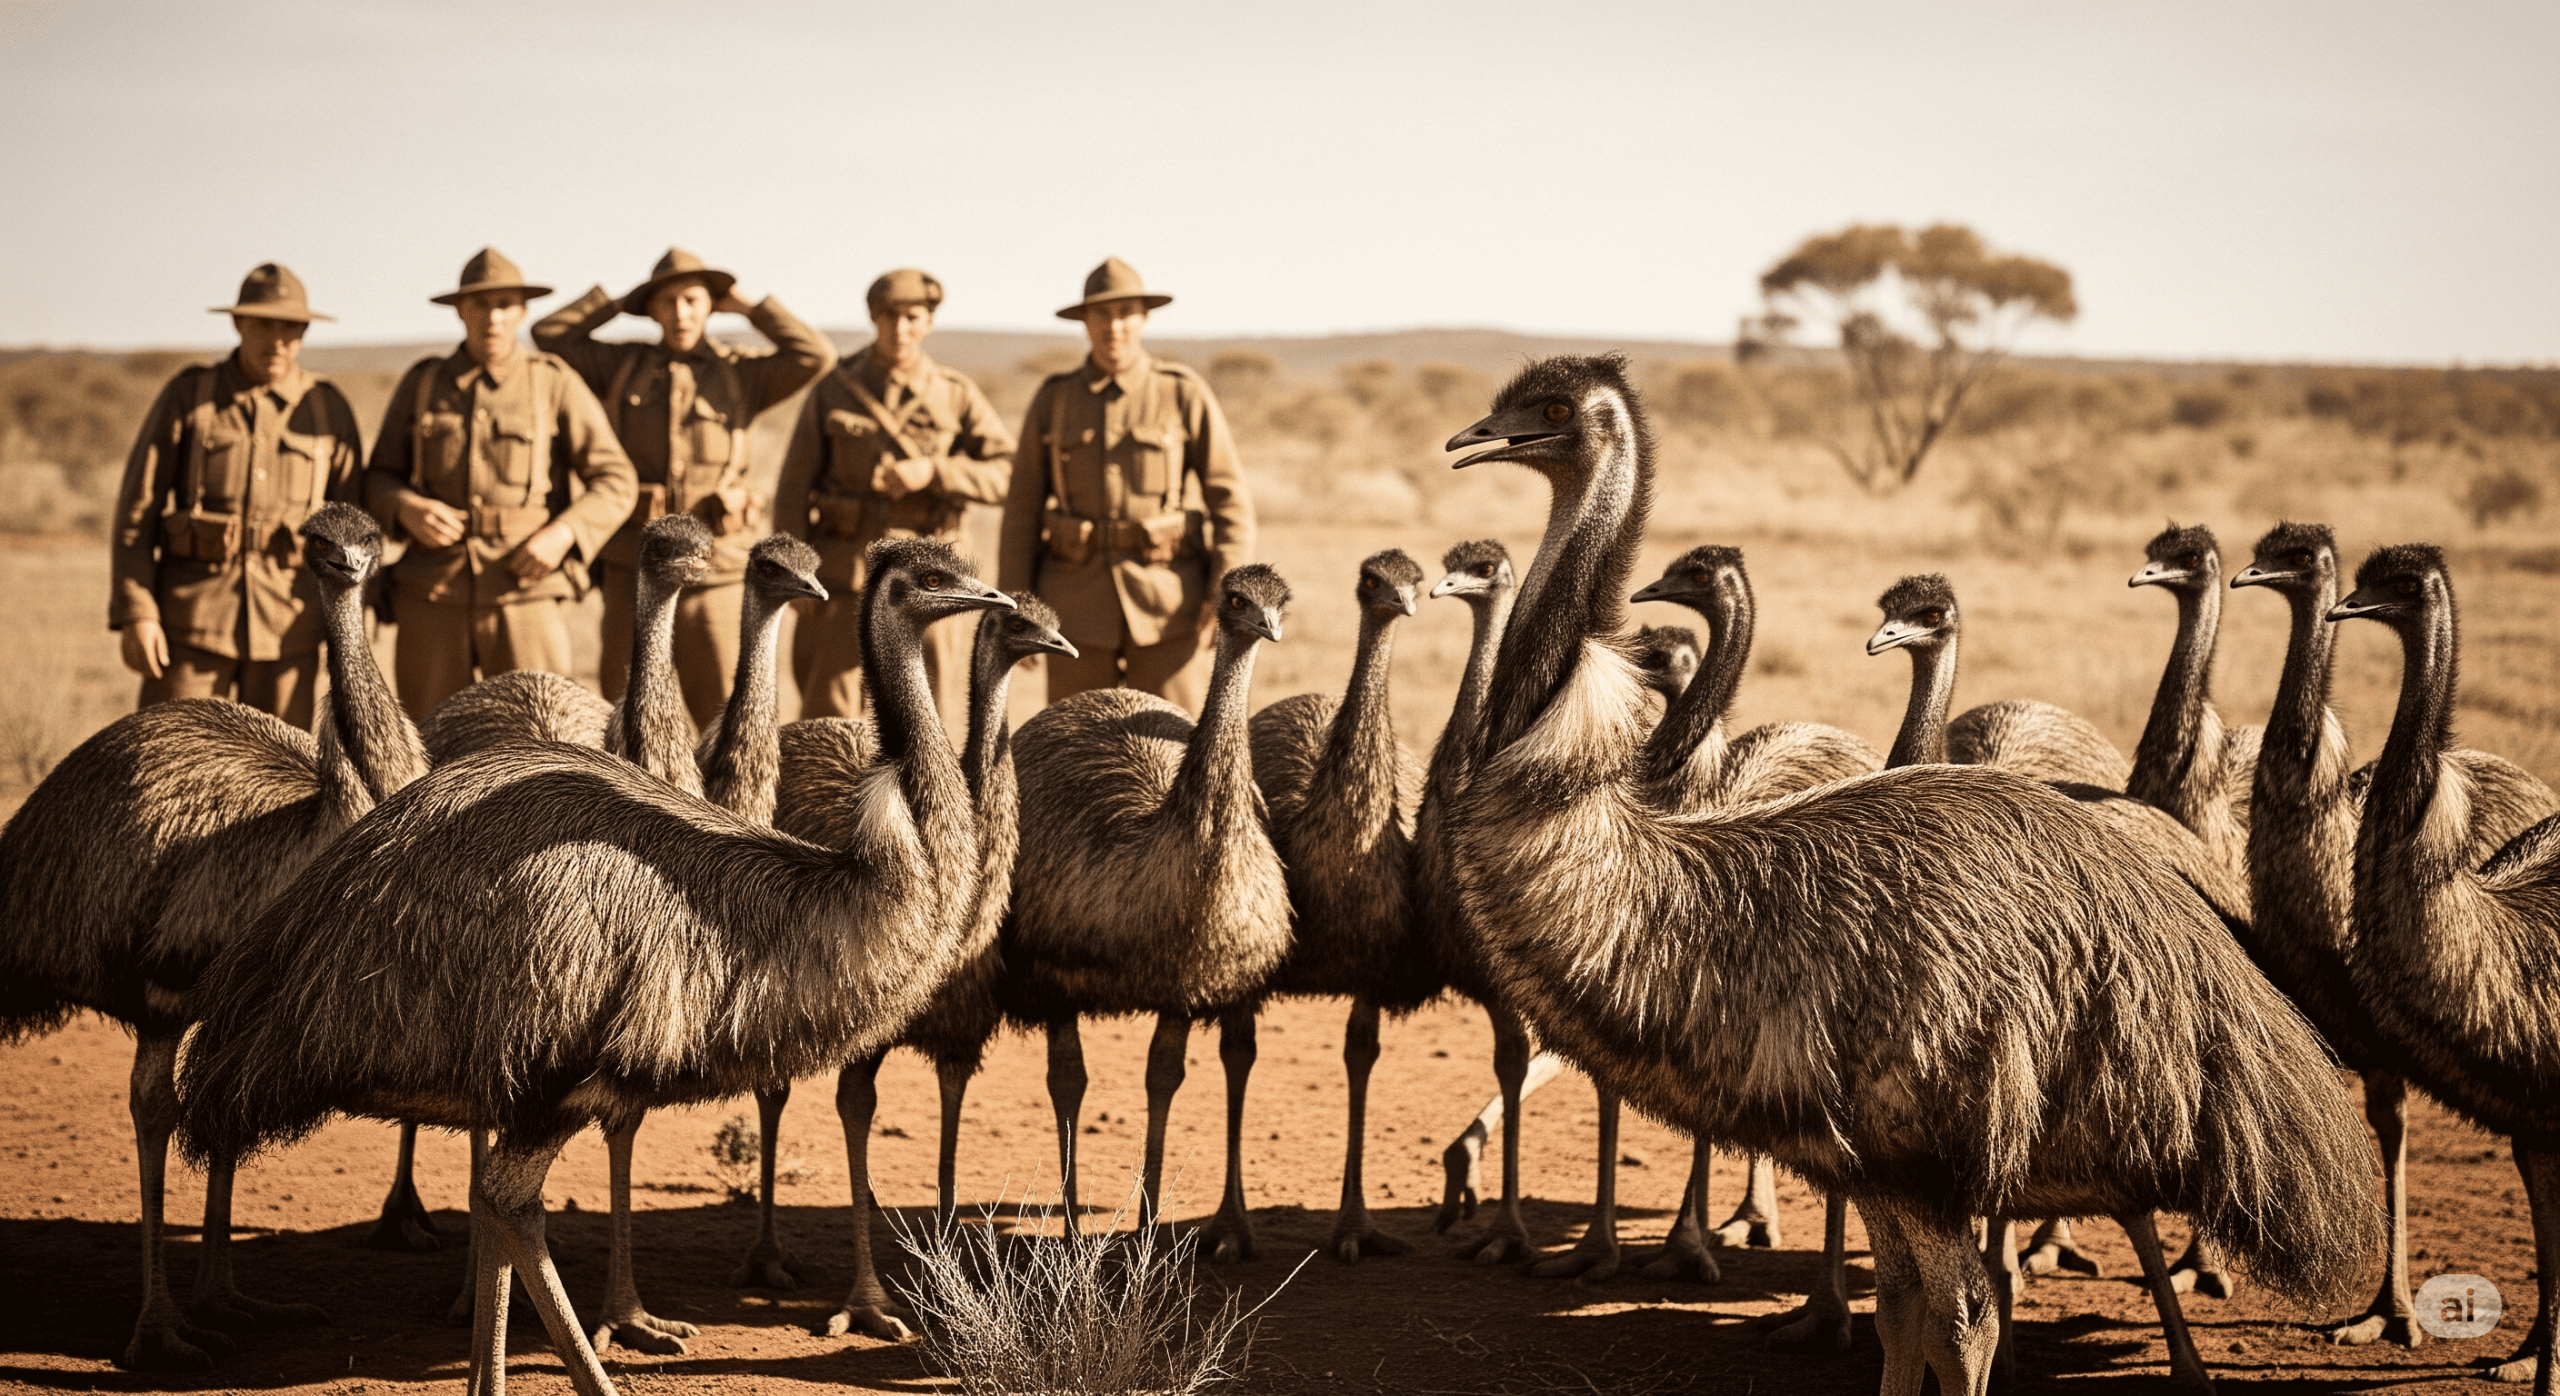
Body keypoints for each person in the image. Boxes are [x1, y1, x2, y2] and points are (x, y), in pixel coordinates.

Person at [533, 247, 835, 726]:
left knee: (727, 715)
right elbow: (548, 334)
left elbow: (815, 355)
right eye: (667, 301)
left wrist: (749, 306)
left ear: (711, 306)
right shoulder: (619, 366)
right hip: (632, 564)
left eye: (693, 300)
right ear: (650, 309)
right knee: (627, 711)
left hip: (716, 568)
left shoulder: (742, 373)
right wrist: (617, 302)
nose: (680, 313)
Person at [365, 248, 637, 718]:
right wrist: (406, 507)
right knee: (426, 743)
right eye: (479, 305)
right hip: (432, 591)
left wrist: (563, 534)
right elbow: (377, 477)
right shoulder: (424, 382)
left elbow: (615, 479)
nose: (492, 318)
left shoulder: (552, 382)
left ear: (523, 312)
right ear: (459, 310)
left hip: (525, 588)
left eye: (505, 304)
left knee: (539, 739)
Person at [107, 263, 365, 727]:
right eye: (264, 324)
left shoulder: (327, 408)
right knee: (169, 763)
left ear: (304, 332)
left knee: (280, 779)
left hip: (289, 628)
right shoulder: (191, 397)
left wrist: (348, 634)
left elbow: (355, 533)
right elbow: (137, 511)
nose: (277, 340)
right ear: (238, 323)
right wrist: (137, 614)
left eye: (290, 327)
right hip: (192, 622)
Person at [995, 258, 1253, 713]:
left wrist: (1226, 593)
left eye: (1125, 312)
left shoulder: (1181, 393)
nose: (1113, 327)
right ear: (1084, 322)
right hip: (1073, 611)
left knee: (1172, 748)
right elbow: (1021, 508)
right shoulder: (1055, 398)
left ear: (1144, 318)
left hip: (1168, 609)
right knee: (1076, 750)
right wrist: (1018, 606)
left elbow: (1229, 500)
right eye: (1101, 315)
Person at [775, 267, 1015, 731]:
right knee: (828, 716)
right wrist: (796, 571)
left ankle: (922, 804)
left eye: (912, 317)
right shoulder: (834, 389)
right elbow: (792, 489)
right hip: (847, 575)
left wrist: (936, 472)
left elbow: (1007, 474)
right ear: (872, 317)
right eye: (889, 317)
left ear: (928, 322)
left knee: (925, 716)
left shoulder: (954, 394)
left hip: (932, 581)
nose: (900, 329)